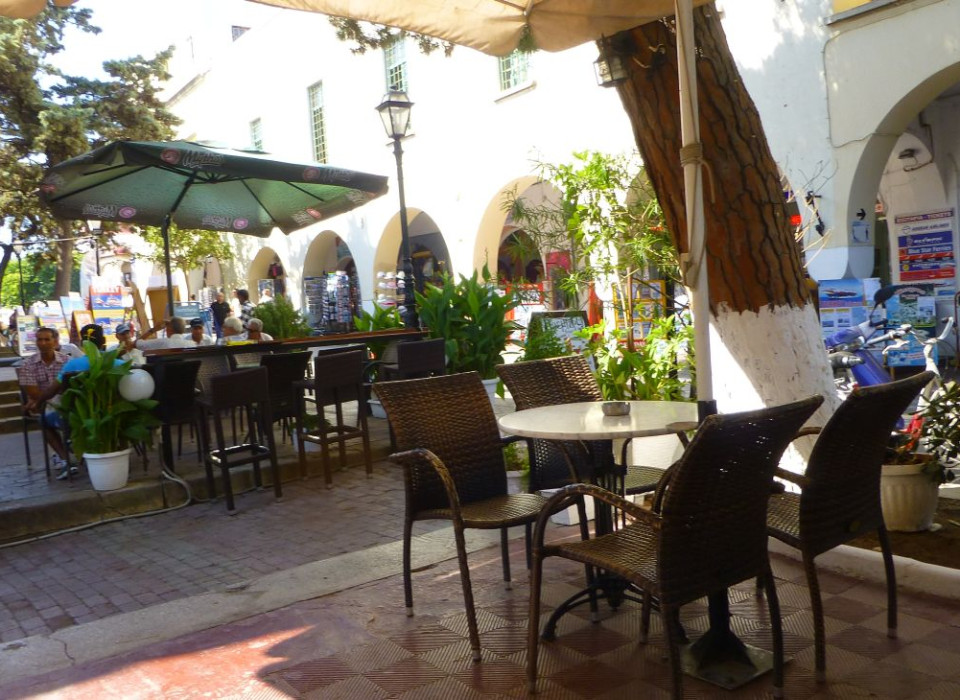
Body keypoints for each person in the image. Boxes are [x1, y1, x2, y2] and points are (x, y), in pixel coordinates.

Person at [18, 326, 71, 478]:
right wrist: (51, 396)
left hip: (65, 402)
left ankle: (68, 454)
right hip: (43, 405)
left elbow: (71, 387)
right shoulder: (28, 364)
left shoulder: (67, 361)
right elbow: (33, 393)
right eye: (39, 340)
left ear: (55, 341)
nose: (43, 343)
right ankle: (65, 458)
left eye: (47, 339)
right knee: (44, 418)